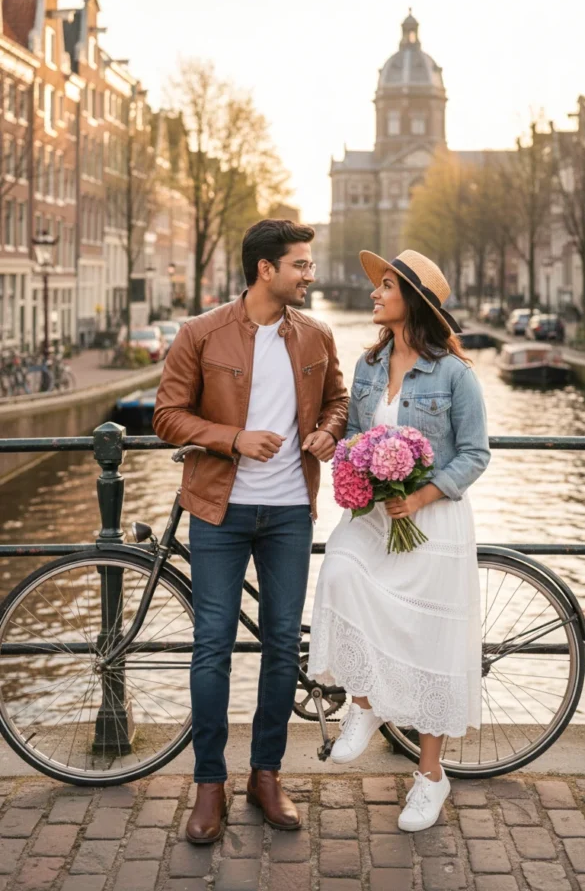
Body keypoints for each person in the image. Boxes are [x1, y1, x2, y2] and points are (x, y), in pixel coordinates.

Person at [153, 219, 348, 843]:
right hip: (219, 511)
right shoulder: (200, 333)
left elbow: (339, 402)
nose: (310, 274)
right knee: (211, 644)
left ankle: (266, 775)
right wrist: (232, 439)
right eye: (300, 265)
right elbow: (166, 416)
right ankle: (210, 782)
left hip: (290, 512)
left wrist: (329, 431)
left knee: (281, 642)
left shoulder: (315, 334)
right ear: (267, 269)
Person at [308, 248, 490, 832]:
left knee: (428, 641)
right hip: (374, 515)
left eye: (385, 286)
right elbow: (359, 434)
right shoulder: (367, 365)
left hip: (429, 517)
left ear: (410, 298)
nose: (374, 294)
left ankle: (429, 779)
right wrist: (347, 461)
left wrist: (420, 495)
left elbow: (475, 453)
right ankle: (363, 703)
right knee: (338, 573)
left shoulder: (456, 374)